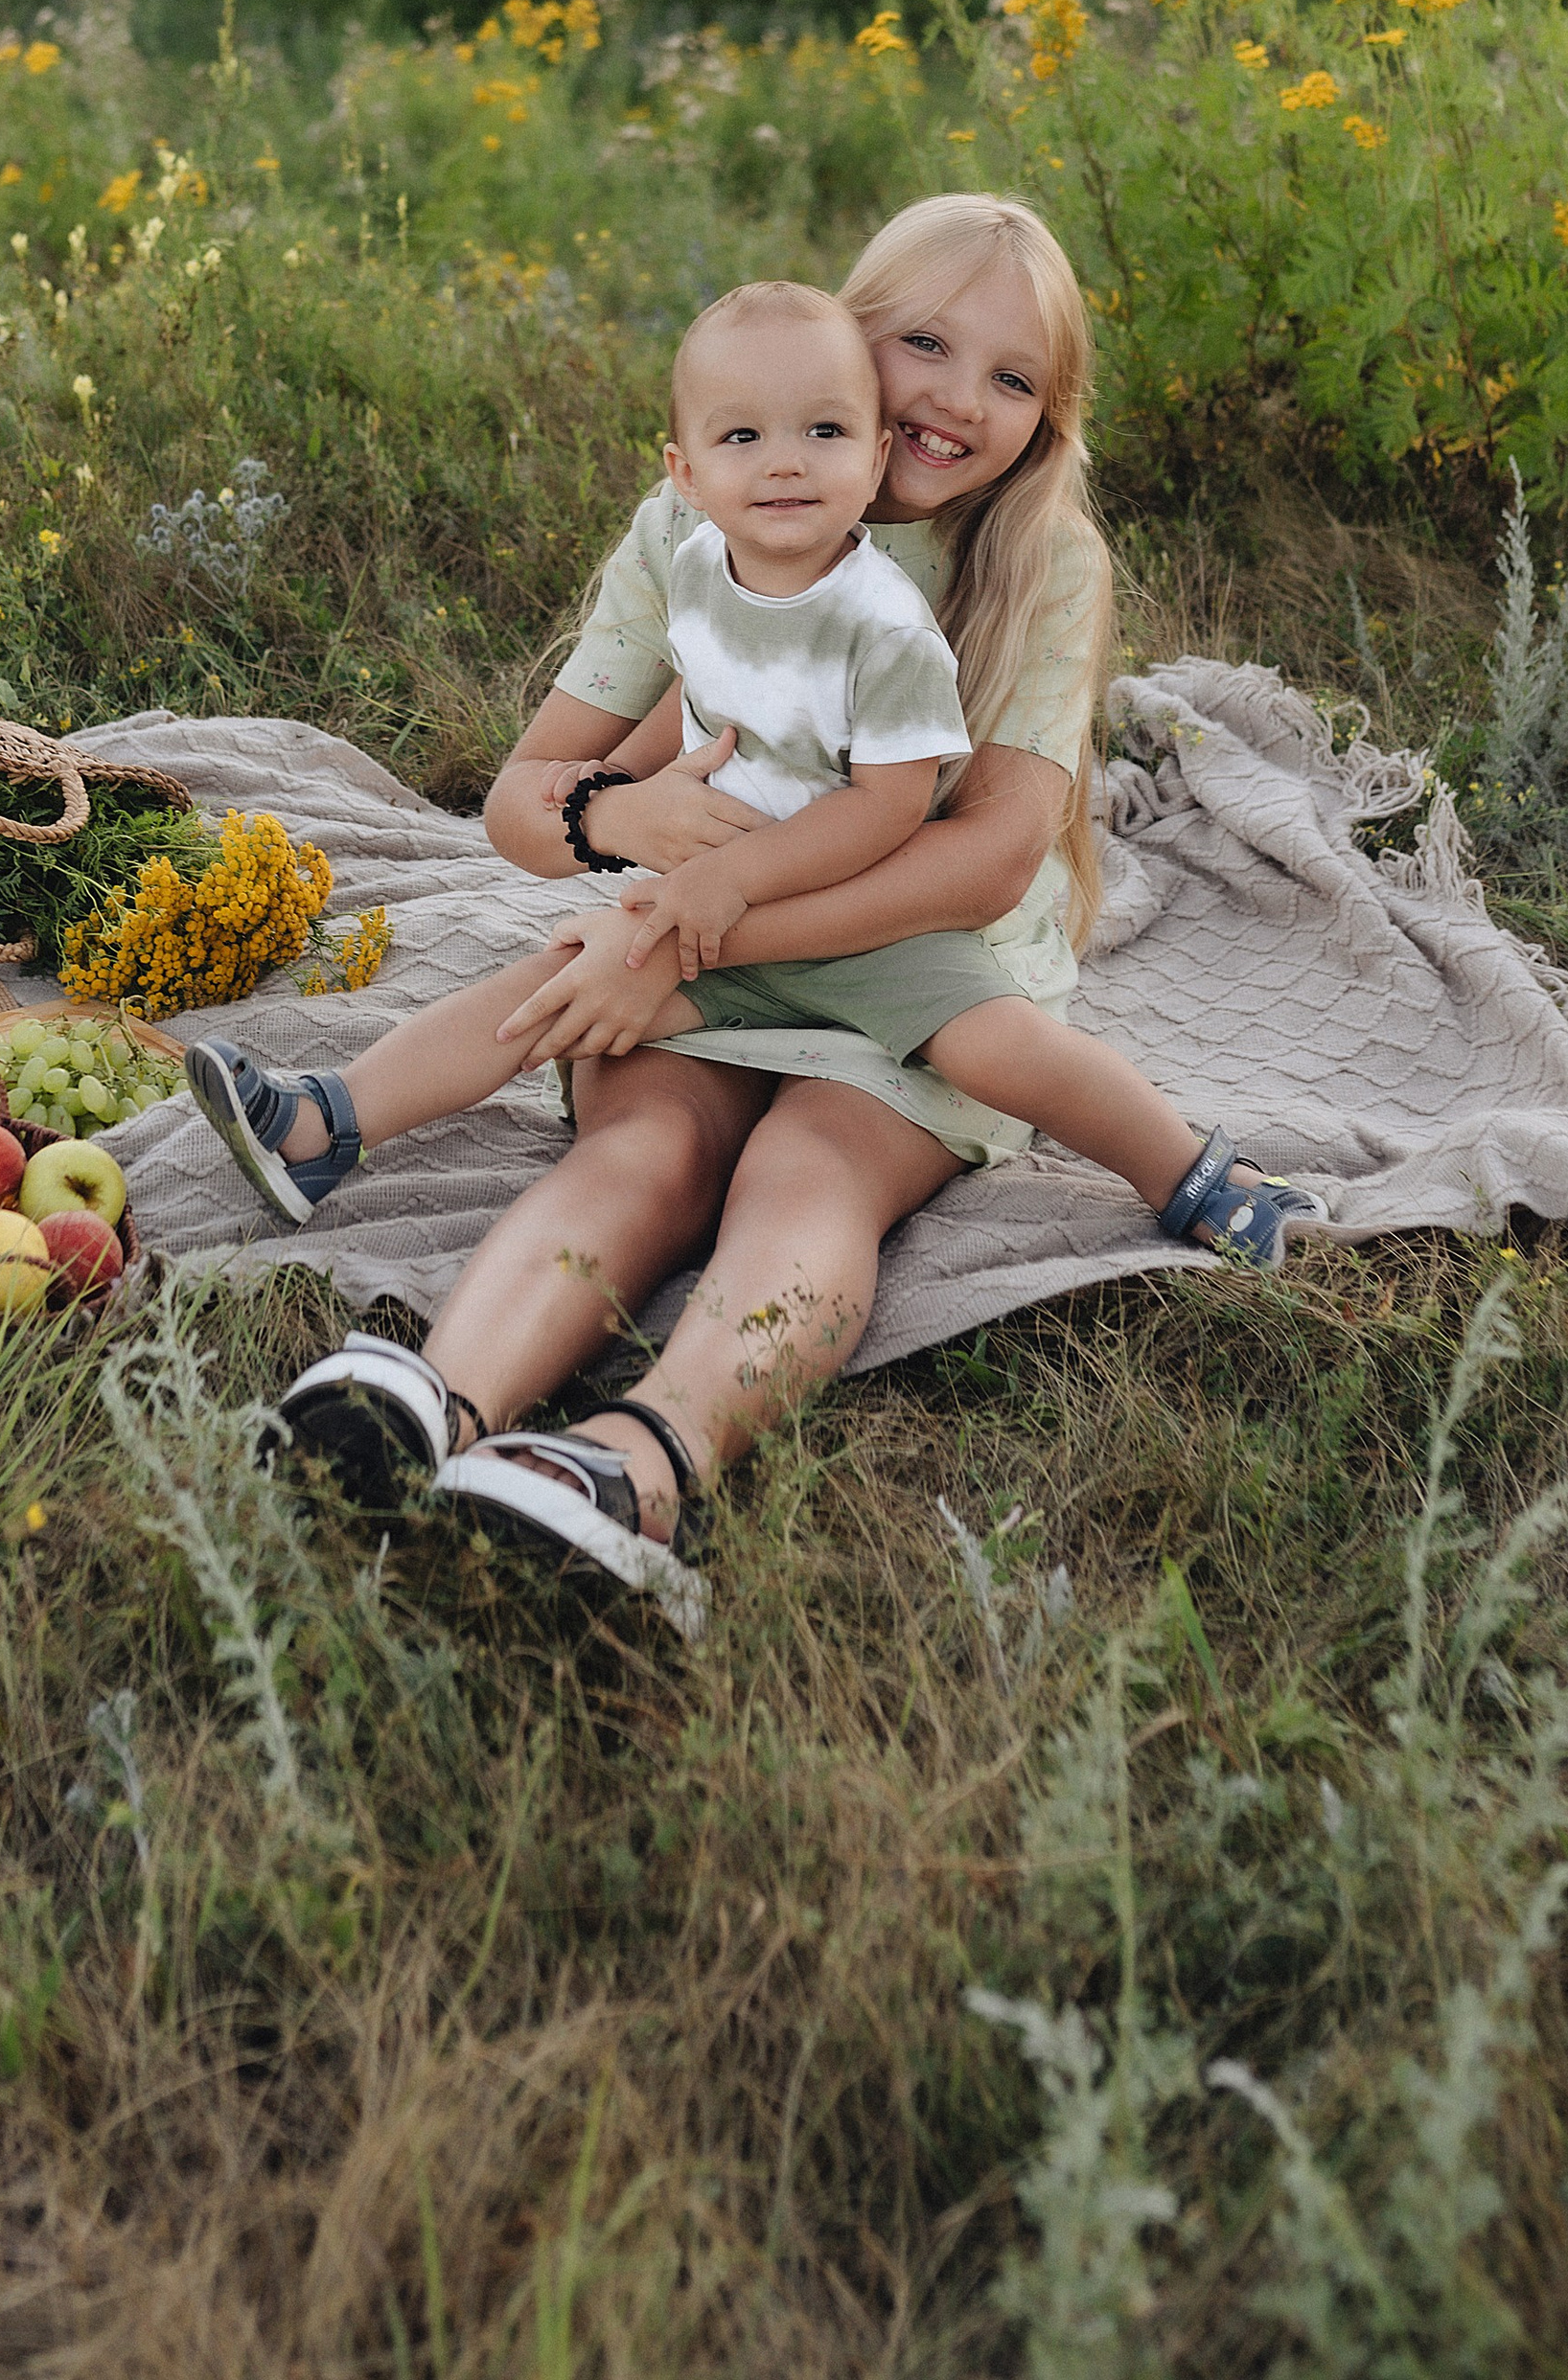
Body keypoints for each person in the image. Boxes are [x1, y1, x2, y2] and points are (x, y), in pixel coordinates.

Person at [247, 195, 1318, 1629]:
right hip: (699, 936)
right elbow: (523, 795)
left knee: (807, 1173)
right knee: (643, 1149)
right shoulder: (712, 510)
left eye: (1013, 377)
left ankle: (635, 1462)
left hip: (919, 975)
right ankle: (431, 1402)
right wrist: (610, 821)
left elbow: (984, 862)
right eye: (925, 342)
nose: (955, 399)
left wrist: (687, 932)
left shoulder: (1035, 559)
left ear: (1051, 417)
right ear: (847, 331)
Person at [186, 277, 1309, 1284]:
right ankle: (325, 1120)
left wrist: (719, 894)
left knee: (1005, 1047)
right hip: (728, 908)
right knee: (556, 979)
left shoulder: (892, 617)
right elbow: (603, 766)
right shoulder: (711, 568)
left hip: (874, 921)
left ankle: (1198, 1178)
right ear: (688, 470)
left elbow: (894, 811)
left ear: (865, 446)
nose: (783, 461)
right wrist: (629, 814)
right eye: (749, 436)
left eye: (820, 430)